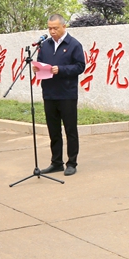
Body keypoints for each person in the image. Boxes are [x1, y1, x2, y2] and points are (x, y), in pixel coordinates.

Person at [37, 14, 86, 176]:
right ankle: (56, 162)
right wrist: (37, 69)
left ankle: (71, 163)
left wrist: (61, 69)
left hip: (67, 94)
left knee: (70, 130)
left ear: (64, 27)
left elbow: (80, 66)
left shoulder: (74, 45)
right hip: (49, 93)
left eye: (55, 28)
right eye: (50, 28)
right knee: (53, 130)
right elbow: (40, 62)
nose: (52, 31)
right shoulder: (45, 45)